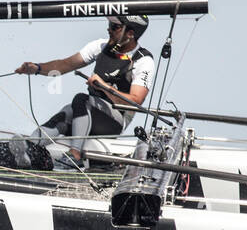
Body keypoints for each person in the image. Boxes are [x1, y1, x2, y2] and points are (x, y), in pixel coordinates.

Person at [15, 14, 154, 163]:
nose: (109, 29)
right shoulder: (101, 47)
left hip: (115, 121)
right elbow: (64, 65)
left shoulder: (143, 60)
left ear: (130, 34)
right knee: (65, 114)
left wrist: (104, 87)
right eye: (109, 25)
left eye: (115, 27)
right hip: (88, 112)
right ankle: (29, 149)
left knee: (81, 100)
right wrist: (37, 68)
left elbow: (136, 101)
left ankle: (75, 155)